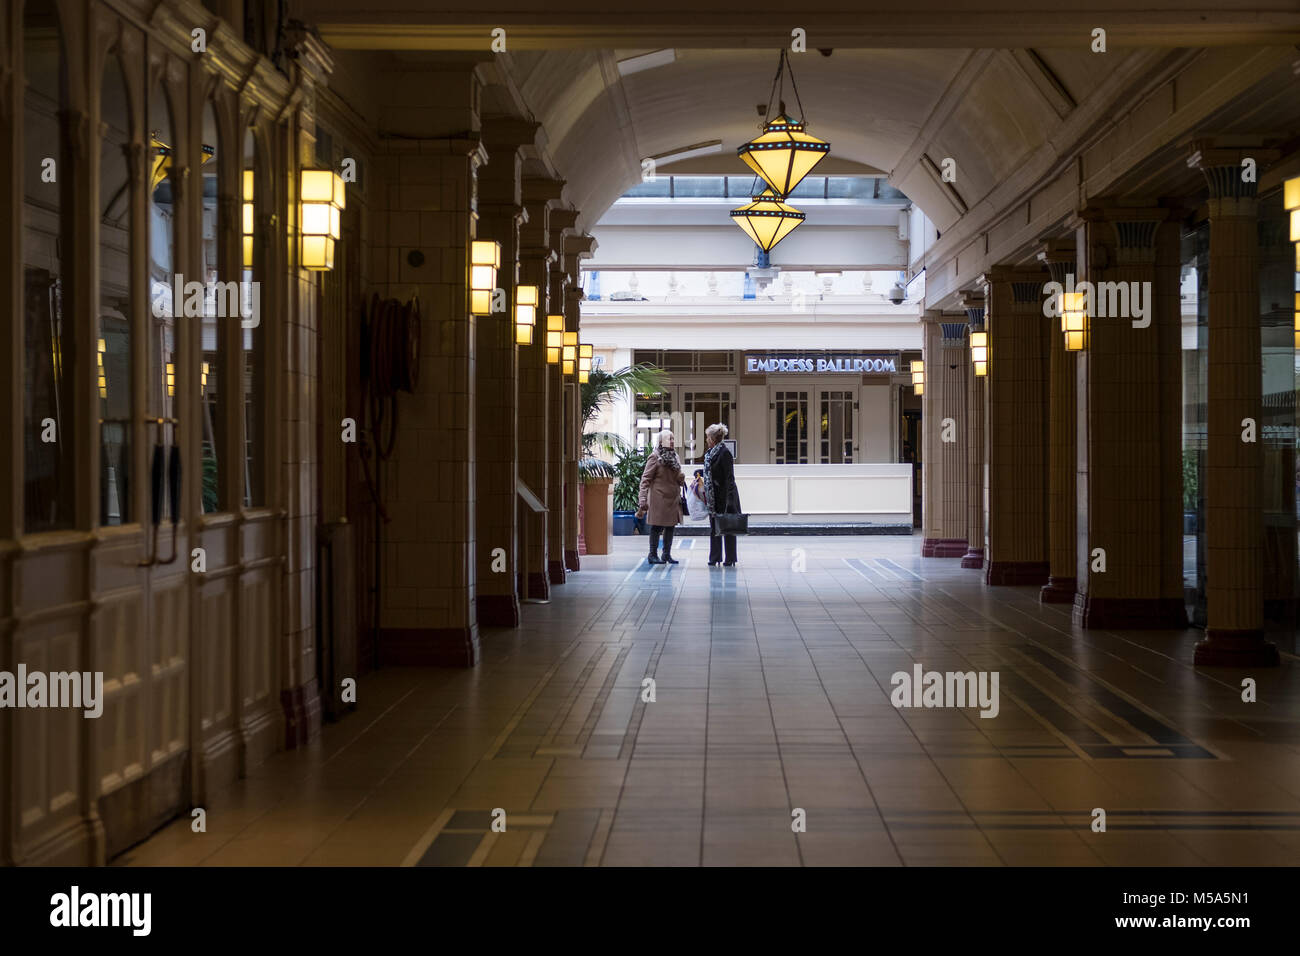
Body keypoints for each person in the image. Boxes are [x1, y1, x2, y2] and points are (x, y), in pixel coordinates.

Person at [635, 429, 686, 565]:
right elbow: (645, 479)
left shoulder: (675, 456)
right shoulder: (654, 456)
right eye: (669, 438)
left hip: (673, 498)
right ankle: (652, 554)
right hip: (659, 499)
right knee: (657, 527)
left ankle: (666, 554)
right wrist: (642, 500)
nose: (672, 441)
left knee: (670, 527)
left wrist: (681, 478)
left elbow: (678, 478)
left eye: (673, 438)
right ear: (661, 441)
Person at [703, 423, 740, 566]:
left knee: (728, 527)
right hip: (714, 497)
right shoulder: (710, 454)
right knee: (714, 528)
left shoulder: (724, 453)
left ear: (713, 438)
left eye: (707, 437)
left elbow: (730, 477)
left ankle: (730, 558)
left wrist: (730, 500)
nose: (706, 439)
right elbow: (710, 472)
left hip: (725, 496)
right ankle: (715, 557)